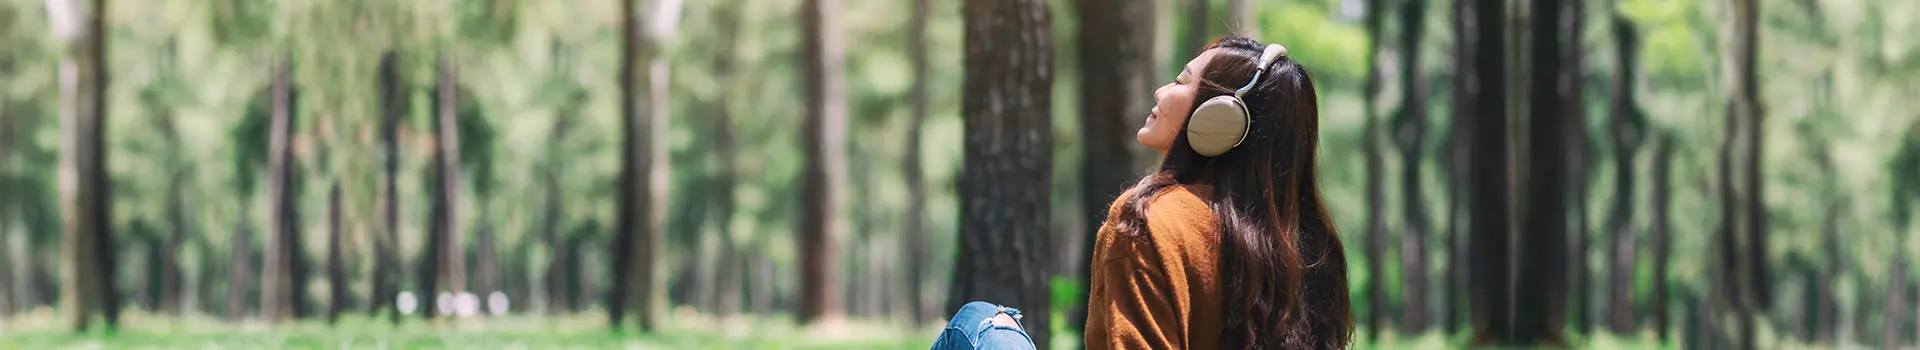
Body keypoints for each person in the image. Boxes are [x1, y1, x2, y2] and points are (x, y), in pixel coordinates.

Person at [932, 36, 1353, 350]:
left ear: (1220, 117)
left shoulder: (1151, 220)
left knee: (980, 322)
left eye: (1180, 81)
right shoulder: (1315, 245)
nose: (1160, 92)